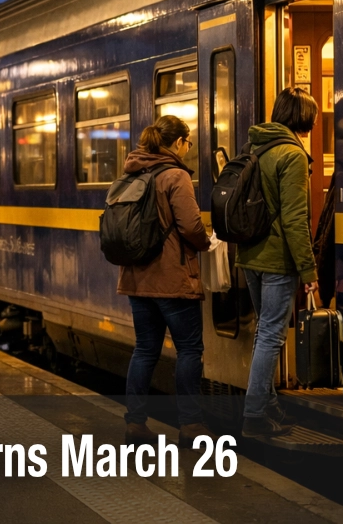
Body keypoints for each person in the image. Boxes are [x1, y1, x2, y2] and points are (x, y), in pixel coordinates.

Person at [117, 115, 213, 445]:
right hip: (171, 278)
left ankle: (135, 422)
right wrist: (207, 242)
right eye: (187, 143)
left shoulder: (130, 173)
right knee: (189, 349)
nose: (188, 149)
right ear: (176, 143)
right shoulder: (176, 175)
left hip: (135, 277)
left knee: (145, 349)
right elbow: (189, 225)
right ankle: (190, 425)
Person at [237, 87, 320, 439]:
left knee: (263, 331)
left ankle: (268, 405)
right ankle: (254, 415)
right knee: (271, 334)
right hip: (276, 260)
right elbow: (295, 220)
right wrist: (309, 271)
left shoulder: (254, 147)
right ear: (304, 118)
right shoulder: (293, 156)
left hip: (249, 255)